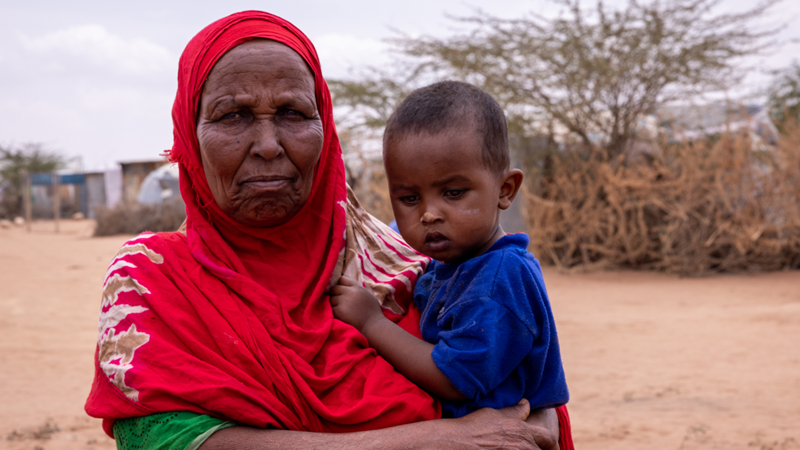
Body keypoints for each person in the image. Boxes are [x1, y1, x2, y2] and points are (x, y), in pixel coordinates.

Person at [85, 11, 569, 450]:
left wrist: (540, 416)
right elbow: (160, 438)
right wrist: (437, 439)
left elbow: (518, 383)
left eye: (294, 113)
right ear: (189, 136)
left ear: (326, 126)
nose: (269, 145)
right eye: (233, 115)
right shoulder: (153, 281)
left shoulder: (406, 261)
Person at [331, 81, 570, 420]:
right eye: (410, 199)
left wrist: (371, 323)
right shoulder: (454, 260)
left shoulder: (497, 279)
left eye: (454, 193)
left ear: (505, 190)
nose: (429, 213)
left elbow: (453, 380)